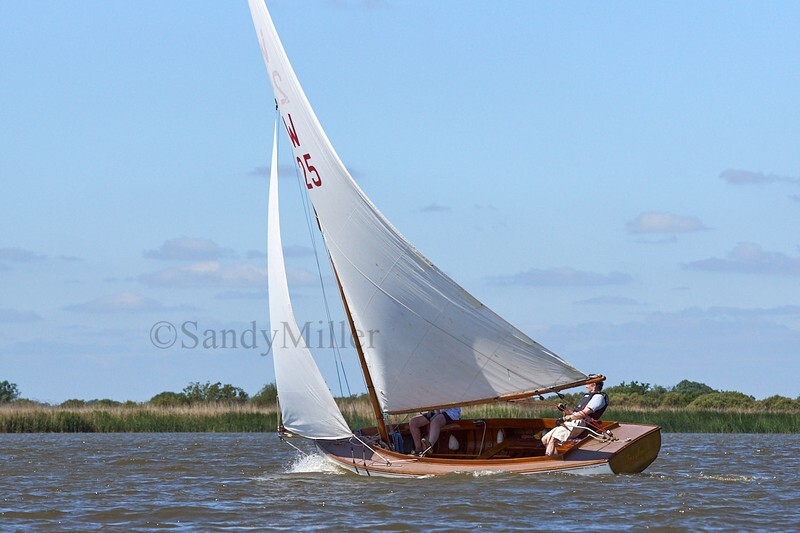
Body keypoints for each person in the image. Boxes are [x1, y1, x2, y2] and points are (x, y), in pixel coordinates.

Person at [541, 380, 608, 457]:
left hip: (580, 423)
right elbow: (575, 413)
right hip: (572, 422)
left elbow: (583, 414)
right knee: (545, 440)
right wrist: (565, 410)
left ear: (594, 385)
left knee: (553, 439)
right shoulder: (587, 396)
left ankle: (549, 460)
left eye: (587, 384)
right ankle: (556, 459)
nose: (586, 386)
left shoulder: (598, 397)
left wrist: (565, 419)